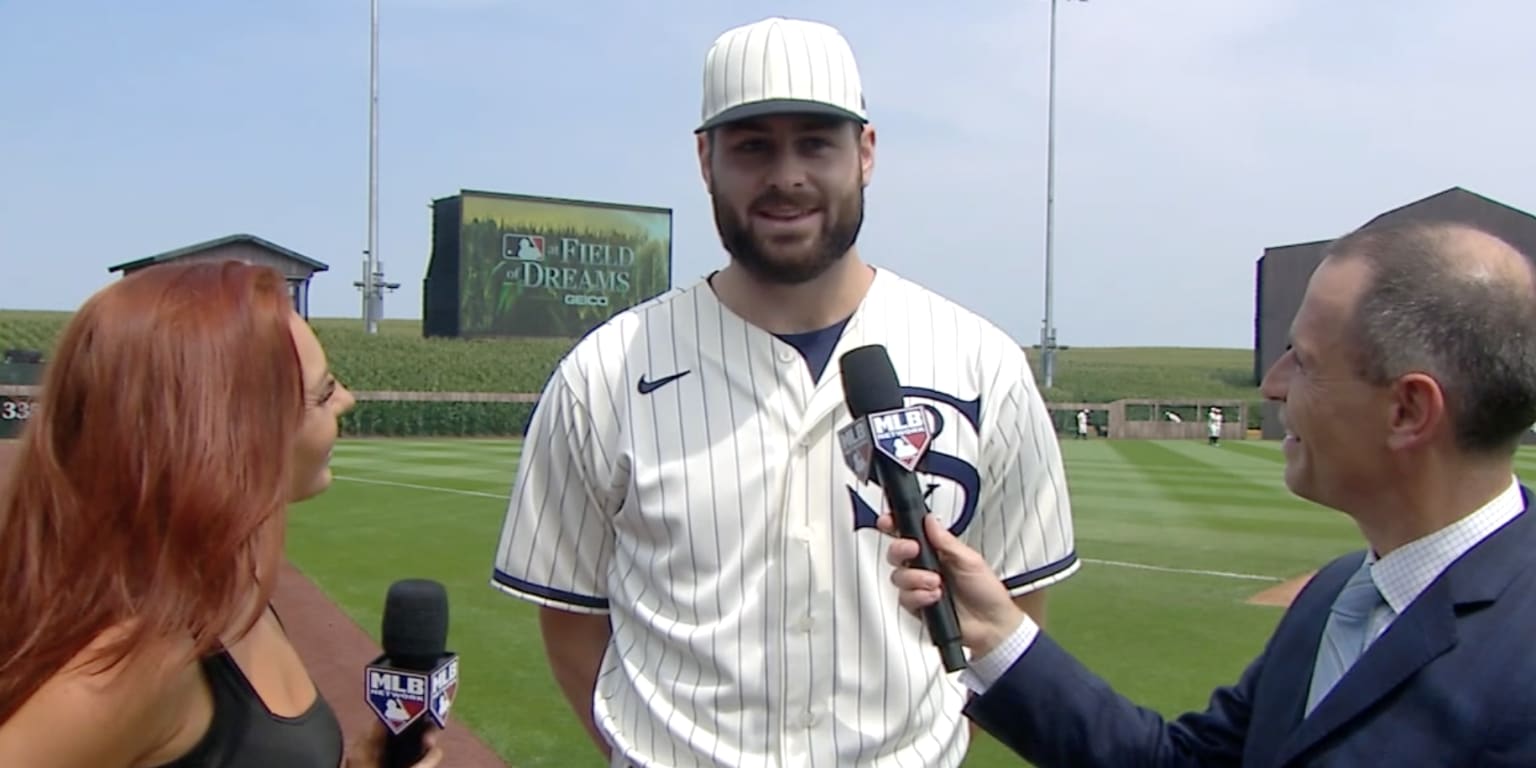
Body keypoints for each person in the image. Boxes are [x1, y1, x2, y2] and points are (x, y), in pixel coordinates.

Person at [488, 15, 1079, 768]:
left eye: (816, 142)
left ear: (865, 153)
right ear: (706, 159)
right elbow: (570, 620)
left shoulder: (982, 364)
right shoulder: (604, 372)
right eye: (753, 146)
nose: (787, 176)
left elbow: (1013, 615)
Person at [883, 220, 1536, 766]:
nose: (1273, 386)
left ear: (1408, 411)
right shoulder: (1338, 596)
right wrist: (996, 634)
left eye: (1303, 361)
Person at [0, 261, 444, 767]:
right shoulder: (137, 662)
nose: (346, 400)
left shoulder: (232, 589)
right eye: (323, 391)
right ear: (234, 429)